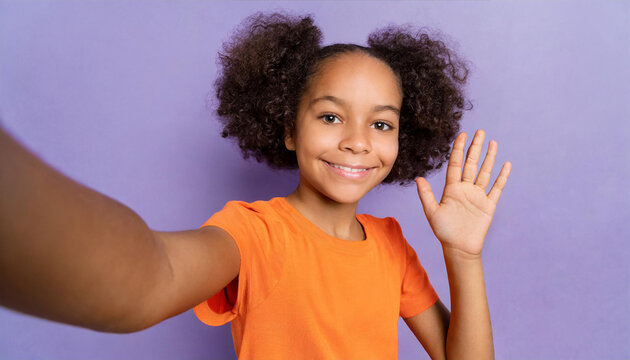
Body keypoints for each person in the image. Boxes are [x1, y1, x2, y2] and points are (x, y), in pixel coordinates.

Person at [0, 11, 511, 360]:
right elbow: (153, 276)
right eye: (331, 117)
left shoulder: (391, 246)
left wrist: (463, 256)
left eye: (381, 124)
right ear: (288, 128)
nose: (357, 142)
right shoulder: (254, 234)